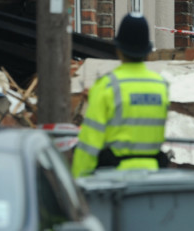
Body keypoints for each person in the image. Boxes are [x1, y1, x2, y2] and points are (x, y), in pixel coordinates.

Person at [72, 12, 170, 178]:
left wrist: (77, 181)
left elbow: (90, 142)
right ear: (147, 51)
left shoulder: (107, 86)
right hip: (153, 177)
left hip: (116, 180)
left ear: (119, 50)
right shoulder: (160, 86)